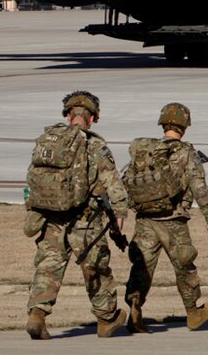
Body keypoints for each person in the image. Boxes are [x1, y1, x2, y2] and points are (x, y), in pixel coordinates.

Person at [24, 91, 130, 340]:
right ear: (92, 117)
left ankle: (37, 315)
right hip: (85, 221)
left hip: (51, 219)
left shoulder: (48, 143)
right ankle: (106, 319)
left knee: (49, 267)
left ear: (68, 115)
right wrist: (120, 214)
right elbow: (114, 185)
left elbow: (33, 180)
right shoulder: (95, 146)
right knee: (96, 268)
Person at [124, 102, 208, 333]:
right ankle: (193, 312)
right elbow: (199, 187)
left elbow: (127, 180)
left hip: (145, 219)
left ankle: (135, 306)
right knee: (185, 267)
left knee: (142, 267)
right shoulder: (186, 152)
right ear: (184, 125)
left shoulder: (146, 151)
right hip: (174, 220)